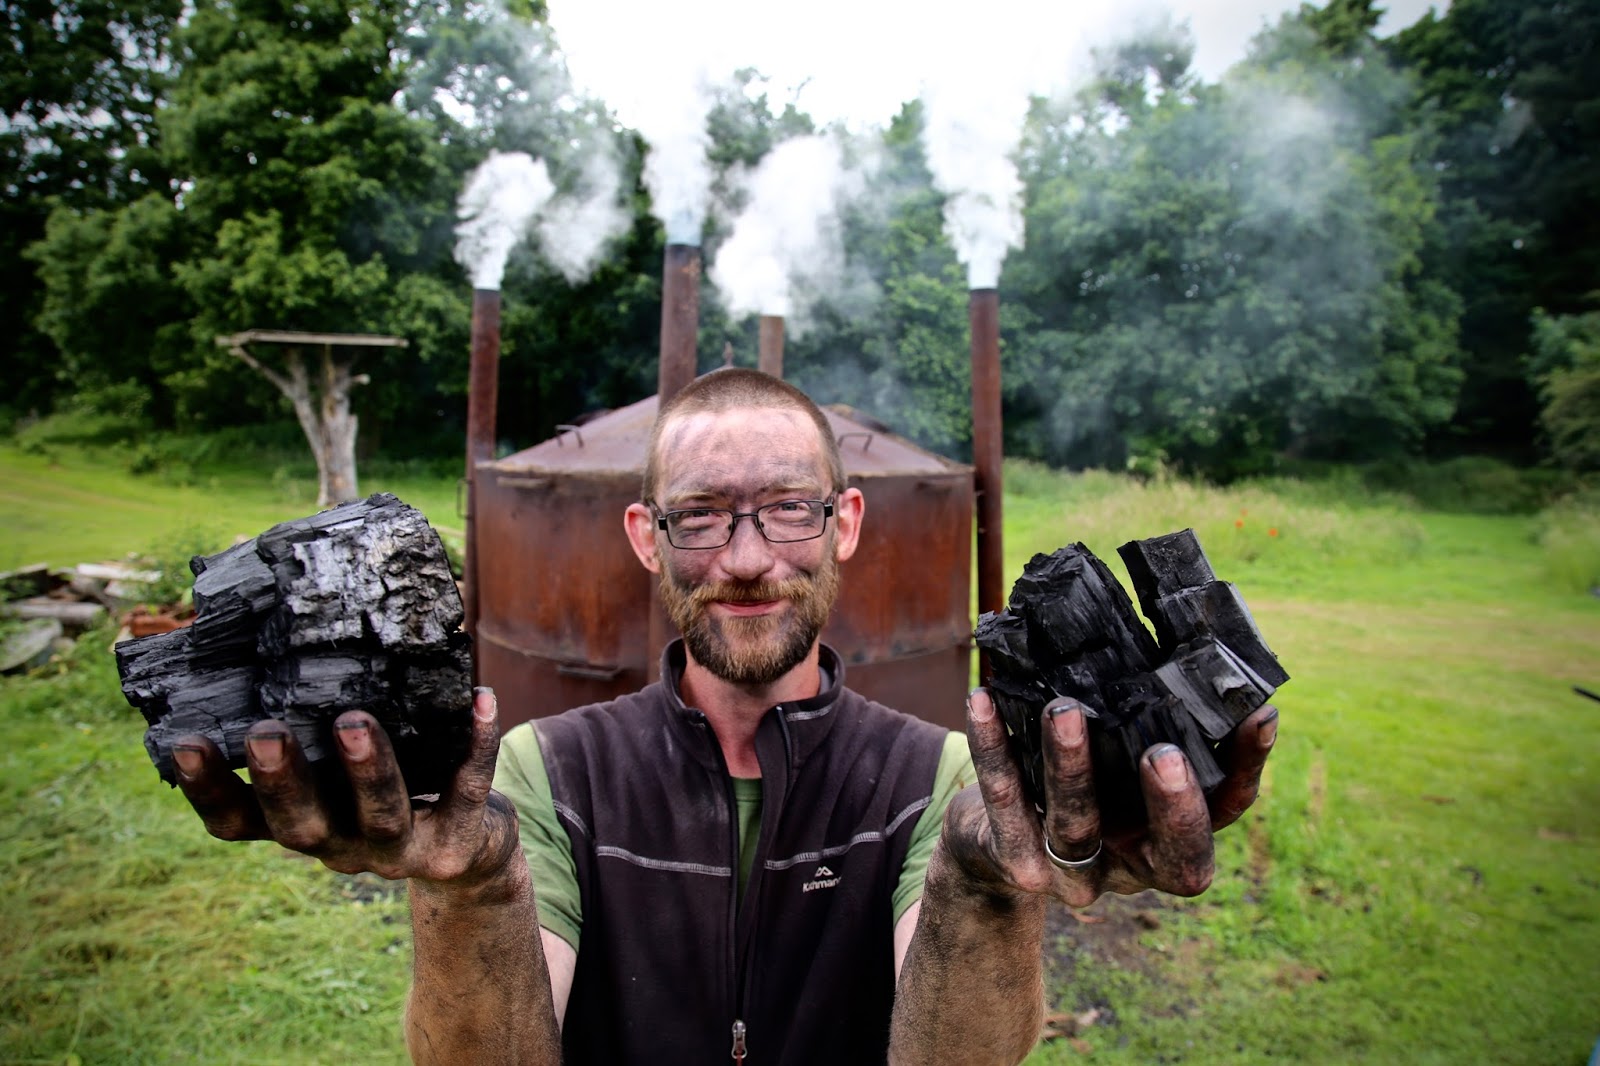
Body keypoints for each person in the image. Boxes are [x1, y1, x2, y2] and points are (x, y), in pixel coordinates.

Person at [170, 368, 1277, 1065]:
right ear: (646, 537)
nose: (747, 562)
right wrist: (468, 889)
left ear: (844, 521)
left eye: (788, 509)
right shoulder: (544, 774)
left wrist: (984, 886)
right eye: (700, 518)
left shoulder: (939, 779)